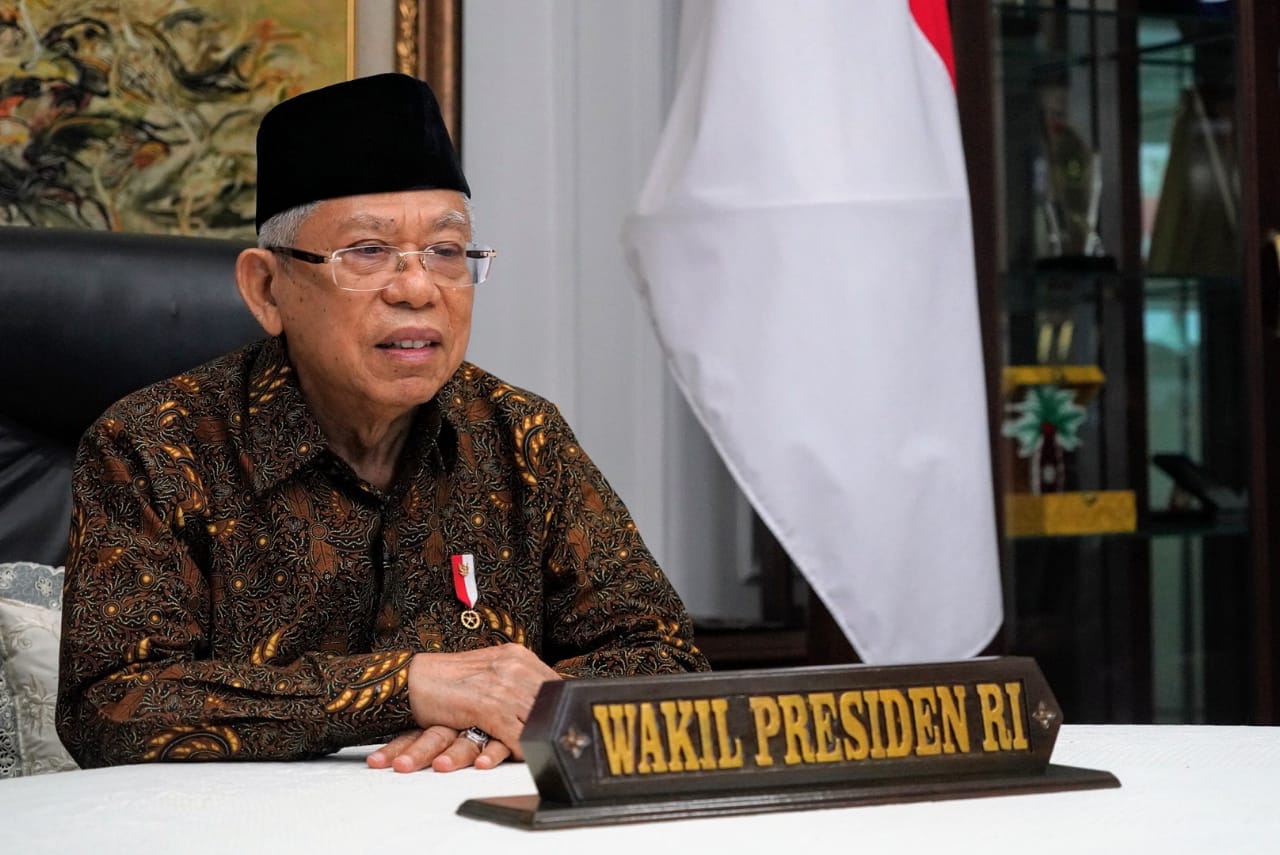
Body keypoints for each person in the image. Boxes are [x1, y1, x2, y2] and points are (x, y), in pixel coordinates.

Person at [55, 73, 708, 774]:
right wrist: (405, 687)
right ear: (267, 288)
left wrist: (507, 713)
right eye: (367, 251)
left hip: (466, 813)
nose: (419, 288)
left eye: (446, 251)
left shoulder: (523, 436)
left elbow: (665, 661)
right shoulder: (155, 445)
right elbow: (109, 709)